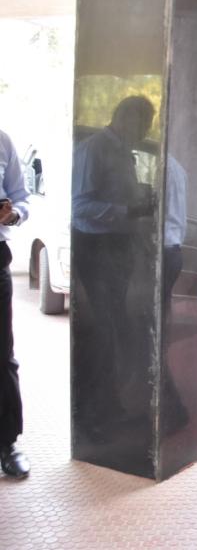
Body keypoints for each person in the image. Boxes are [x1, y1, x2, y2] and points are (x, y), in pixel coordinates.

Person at [71, 95, 156, 433]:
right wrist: (127, 211)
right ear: (124, 118)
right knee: (102, 333)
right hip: (96, 247)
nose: (146, 130)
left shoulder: (124, 152)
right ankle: (93, 415)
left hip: (120, 248)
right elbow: (80, 206)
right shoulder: (94, 149)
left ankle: (109, 407)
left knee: (115, 332)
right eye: (143, 123)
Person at [0, 128, 31, 479]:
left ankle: (7, 443)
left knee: (2, 355)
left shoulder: (4, 140)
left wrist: (12, 215)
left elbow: (22, 198)